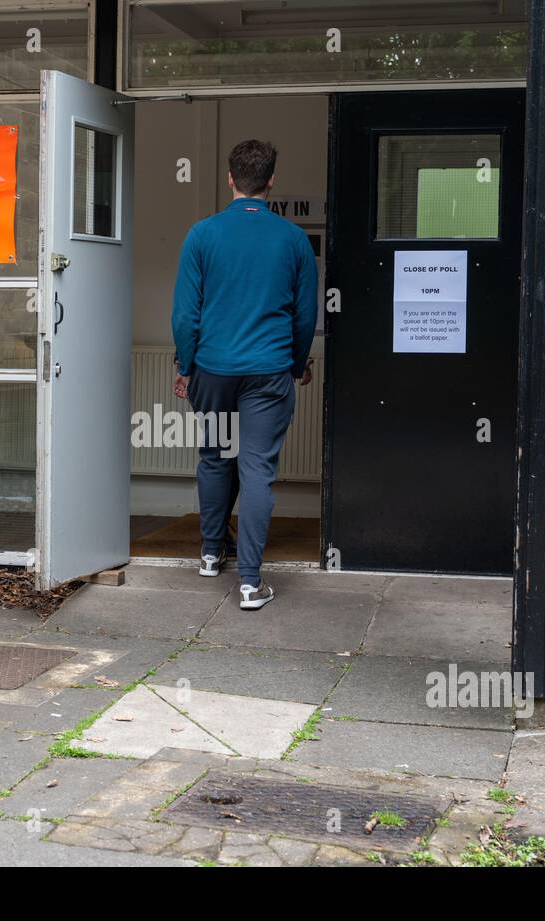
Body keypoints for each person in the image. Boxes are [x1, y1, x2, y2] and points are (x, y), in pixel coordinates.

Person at [170, 139, 318, 610]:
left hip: (213, 370)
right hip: (269, 371)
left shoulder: (201, 235)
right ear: (271, 182)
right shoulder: (292, 239)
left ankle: (211, 554)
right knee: (257, 470)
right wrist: (297, 363)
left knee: (215, 456)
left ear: (230, 179)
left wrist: (185, 365)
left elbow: (184, 315)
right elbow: (305, 315)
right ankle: (251, 583)